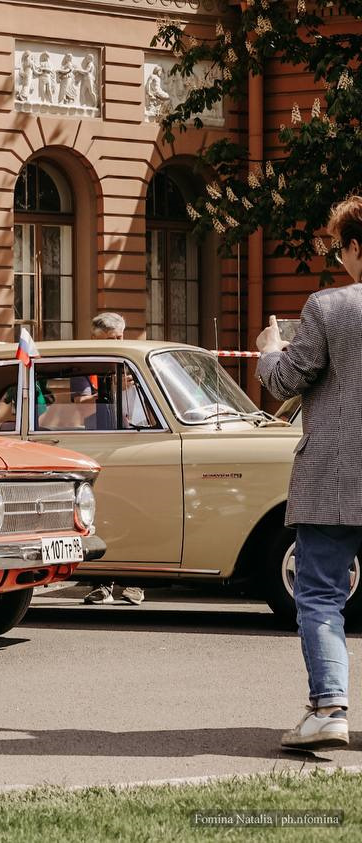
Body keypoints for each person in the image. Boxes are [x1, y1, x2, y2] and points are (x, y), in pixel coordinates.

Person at [257, 194, 362, 751]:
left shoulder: (329, 307)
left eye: (340, 247)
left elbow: (285, 381)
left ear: (354, 246)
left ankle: (328, 709)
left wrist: (270, 349)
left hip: (337, 476)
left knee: (320, 594)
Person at [75, 312, 145, 607]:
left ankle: (134, 581)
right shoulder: (85, 365)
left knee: (133, 513)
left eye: (121, 337)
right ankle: (101, 582)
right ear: (96, 339)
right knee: (101, 515)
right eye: (112, 339)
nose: (119, 343)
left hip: (129, 442)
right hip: (96, 443)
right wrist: (112, 389)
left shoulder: (128, 362)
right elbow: (80, 406)